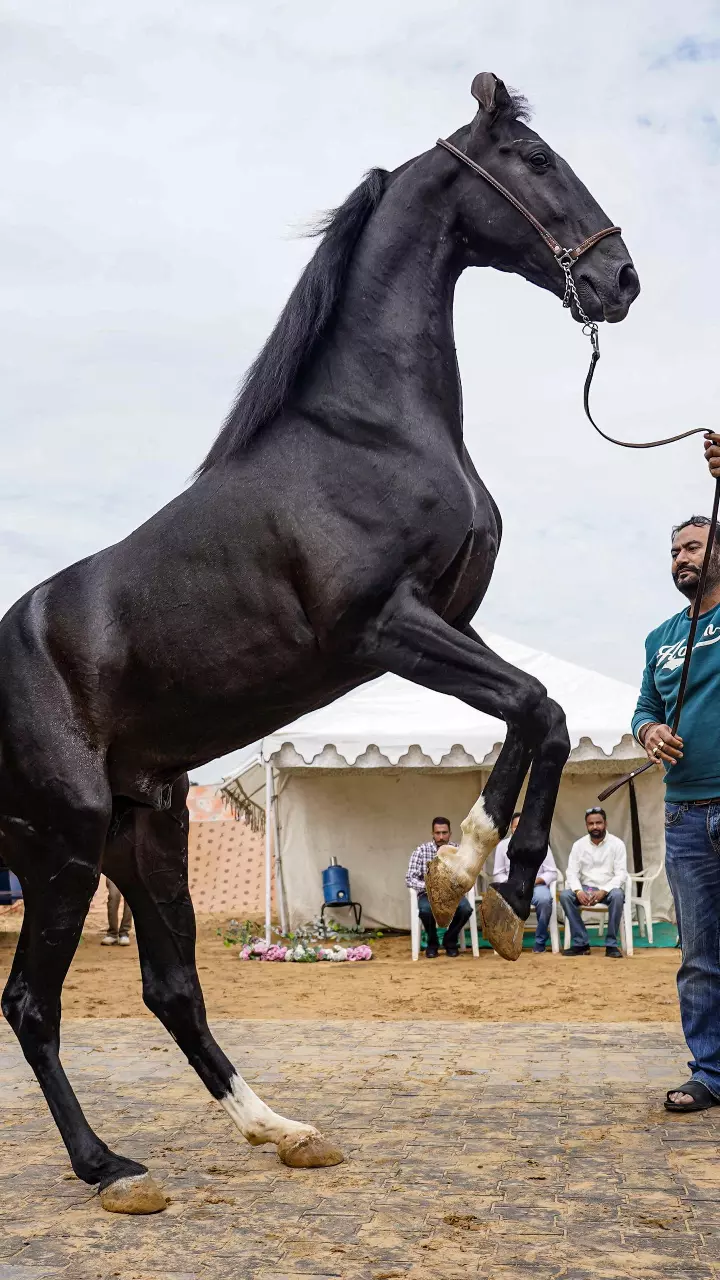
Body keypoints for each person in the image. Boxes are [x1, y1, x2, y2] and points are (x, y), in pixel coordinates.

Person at [631, 486, 720, 1112]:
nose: (680, 558)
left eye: (692, 546)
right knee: (699, 955)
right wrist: (650, 731)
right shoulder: (659, 637)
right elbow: (643, 708)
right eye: (673, 552)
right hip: (686, 813)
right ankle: (711, 1073)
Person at [559, 808, 627, 959]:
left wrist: (603, 890)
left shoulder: (617, 844)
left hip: (608, 890)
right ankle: (581, 943)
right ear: (586, 825)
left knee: (618, 895)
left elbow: (621, 874)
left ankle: (611, 945)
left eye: (598, 823)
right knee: (565, 896)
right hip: (585, 889)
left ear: (605, 824)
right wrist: (578, 891)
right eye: (591, 824)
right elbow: (571, 872)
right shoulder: (579, 845)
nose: (595, 827)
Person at [406, 817, 473, 957]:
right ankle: (432, 942)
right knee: (425, 910)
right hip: (428, 894)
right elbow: (410, 878)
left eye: (444, 832)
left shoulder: (458, 851)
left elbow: (466, 875)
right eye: (438, 833)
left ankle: (450, 940)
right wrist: (431, 887)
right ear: (432, 833)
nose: (441, 837)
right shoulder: (421, 851)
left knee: (466, 909)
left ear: (450, 833)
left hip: (452, 894)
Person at [492, 812, 558, 953]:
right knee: (501, 901)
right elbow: (498, 873)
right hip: (512, 887)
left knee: (545, 900)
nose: (520, 830)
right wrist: (511, 884)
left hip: (535, 886)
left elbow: (552, 872)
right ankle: (506, 943)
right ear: (511, 828)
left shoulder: (540, 844)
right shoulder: (503, 846)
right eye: (516, 826)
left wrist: (534, 881)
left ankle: (540, 942)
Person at [102, 877, 132, 946]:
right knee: (113, 896)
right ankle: (112, 933)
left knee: (130, 898)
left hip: (132, 870)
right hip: (112, 869)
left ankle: (124, 933)